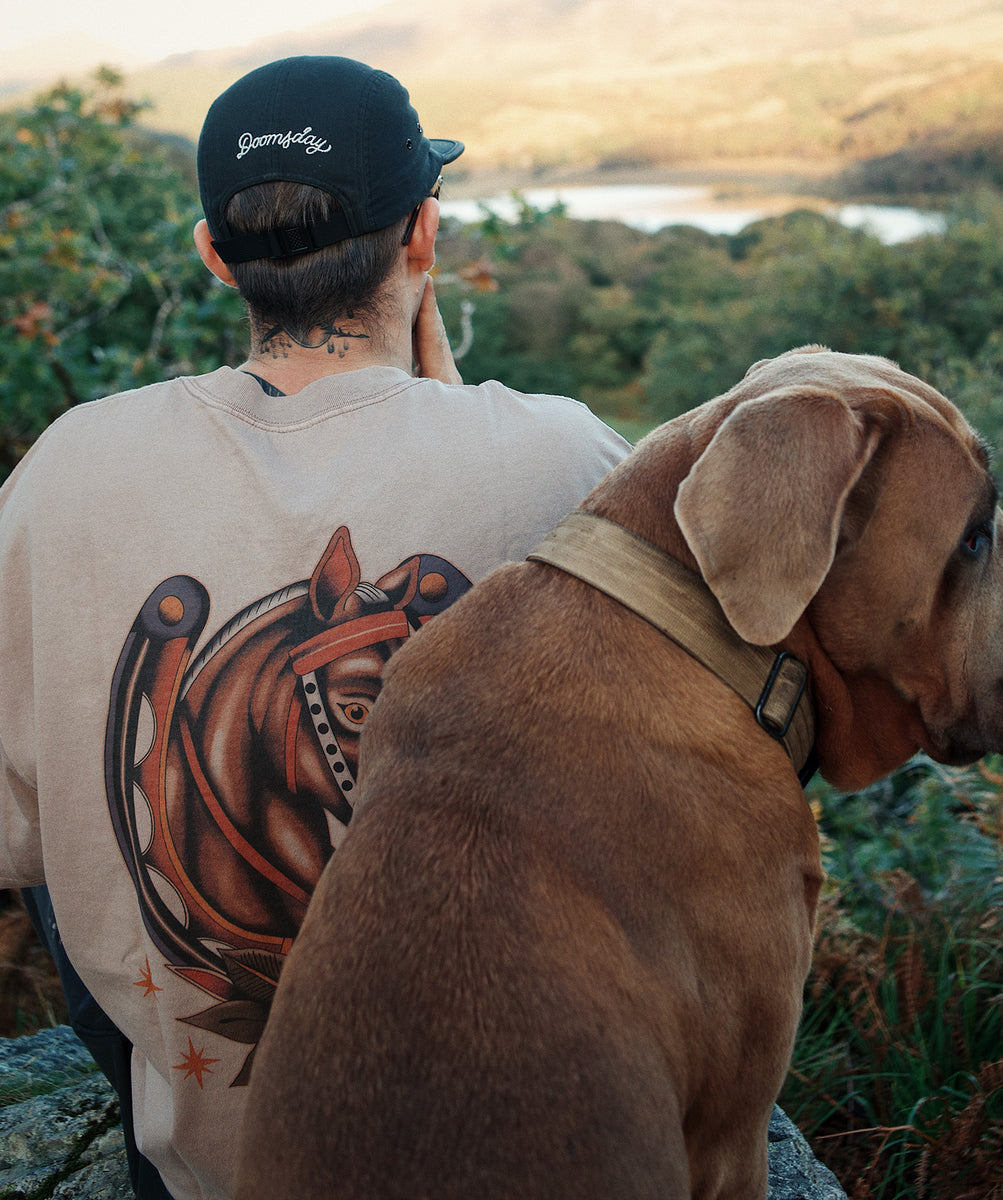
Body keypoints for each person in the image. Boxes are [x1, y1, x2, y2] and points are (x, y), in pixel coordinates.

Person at [0, 56, 630, 1200]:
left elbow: (15, 837)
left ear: (214, 255)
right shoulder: (564, 455)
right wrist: (452, 412)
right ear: (422, 235)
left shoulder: (67, 470)